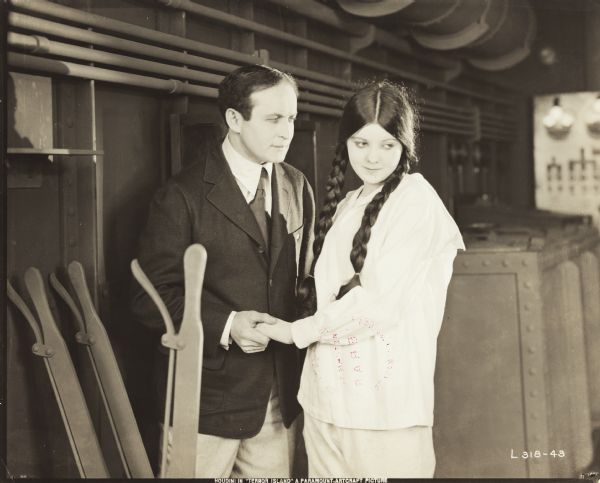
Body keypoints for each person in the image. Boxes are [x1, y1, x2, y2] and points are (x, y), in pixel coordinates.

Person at [257, 80, 465, 478]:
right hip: (324, 402)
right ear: (345, 143)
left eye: (387, 144)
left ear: (405, 146)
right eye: (361, 143)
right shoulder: (349, 203)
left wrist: (294, 331)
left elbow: (378, 304)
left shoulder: (416, 201)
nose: (372, 157)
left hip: (384, 410)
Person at [130, 64, 315, 478]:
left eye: (291, 118)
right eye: (273, 119)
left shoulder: (297, 185)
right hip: (203, 403)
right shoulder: (181, 195)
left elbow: (302, 282)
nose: (286, 131)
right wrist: (228, 325)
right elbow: (150, 297)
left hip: (277, 401)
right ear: (234, 119)